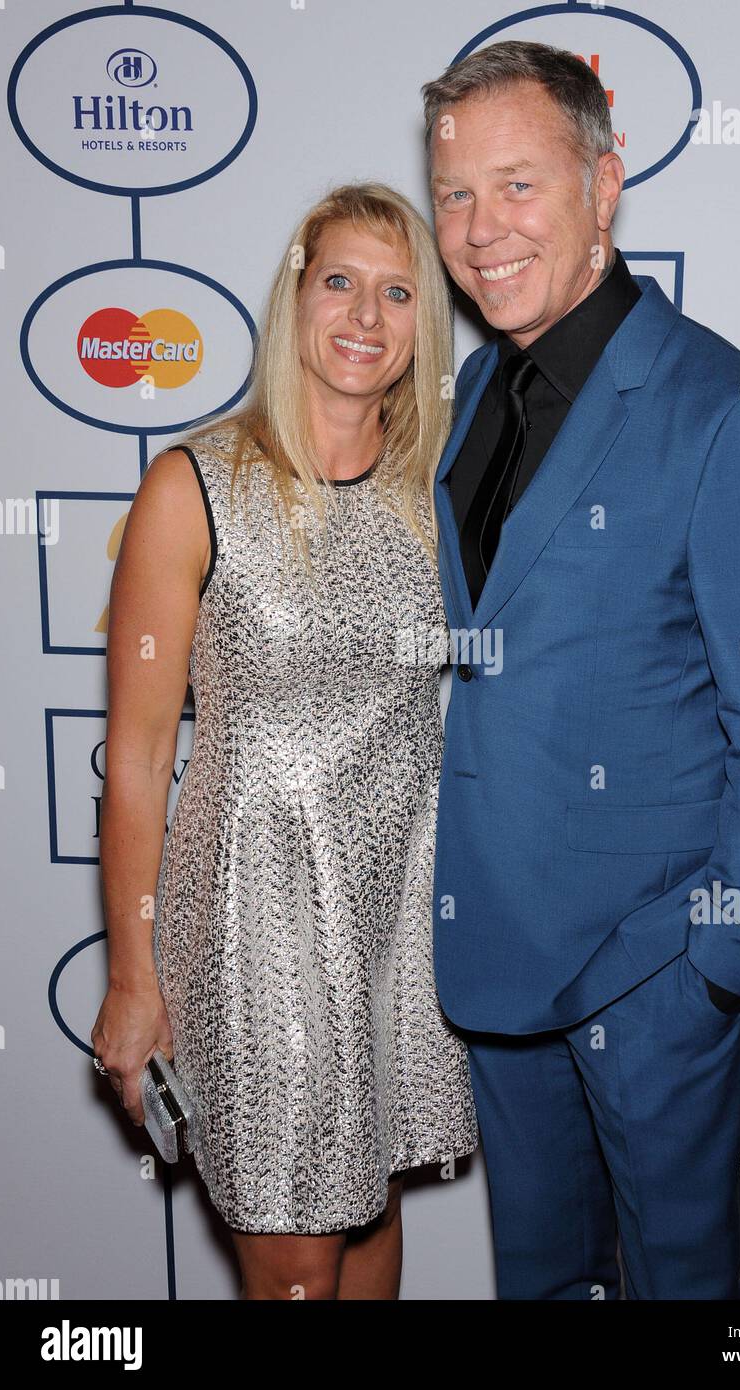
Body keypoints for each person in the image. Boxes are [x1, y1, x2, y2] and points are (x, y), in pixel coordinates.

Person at [421, 40, 740, 1299]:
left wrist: (715, 974)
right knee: (541, 1284)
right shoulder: (472, 391)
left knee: (682, 1288)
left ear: (604, 185)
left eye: (518, 185)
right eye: (455, 193)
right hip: (500, 964)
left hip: (659, 974)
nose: (480, 227)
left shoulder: (730, 412)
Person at [91, 182, 478, 1301]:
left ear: (424, 325)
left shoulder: (436, 496)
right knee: (295, 1249)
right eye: (340, 283)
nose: (365, 316)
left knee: (369, 1218)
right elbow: (138, 754)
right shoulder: (194, 486)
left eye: (397, 291)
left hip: (395, 913)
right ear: (295, 299)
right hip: (253, 921)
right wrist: (131, 974)